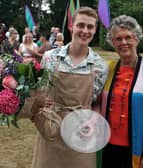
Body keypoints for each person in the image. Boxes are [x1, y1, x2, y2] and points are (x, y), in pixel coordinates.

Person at [21, 7, 108, 168]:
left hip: (81, 134)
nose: (85, 31)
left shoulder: (100, 66)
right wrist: (36, 111)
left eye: (90, 27)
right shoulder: (50, 57)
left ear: (95, 30)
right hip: (52, 129)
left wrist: (93, 122)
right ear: (72, 26)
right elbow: (39, 93)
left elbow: (96, 102)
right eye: (80, 25)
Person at [97, 15, 143, 168]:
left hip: (137, 149)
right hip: (106, 146)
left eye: (128, 37)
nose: (123, 43)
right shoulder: (106, 69)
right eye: (118, 39)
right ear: (112, 42)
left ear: (137, 38)